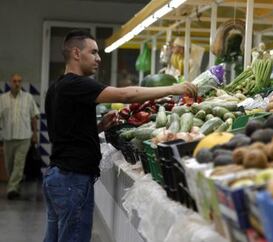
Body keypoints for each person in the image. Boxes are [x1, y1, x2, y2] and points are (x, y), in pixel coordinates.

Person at [42, 30, 197, 242]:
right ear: (76, 53)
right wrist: (174, 88)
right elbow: (126, 95)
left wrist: (99, 126)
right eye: (94, 52)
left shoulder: (57, 87)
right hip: (72, 180)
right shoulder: (77, 84)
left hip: (59, 177)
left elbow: (63, 133)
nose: (98, 58)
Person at [0, 73, 40, 200]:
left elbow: (34, 117)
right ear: (11, 82)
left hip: (24, 137)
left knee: (19, 163)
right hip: (8, 136)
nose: (17, 84)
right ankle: (16, 184)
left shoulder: (28, 98)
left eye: (19, 81)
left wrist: (35, 134)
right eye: (14, 81)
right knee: (9, 165)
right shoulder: (3, 99)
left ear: (21, 83)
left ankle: (11, 188)